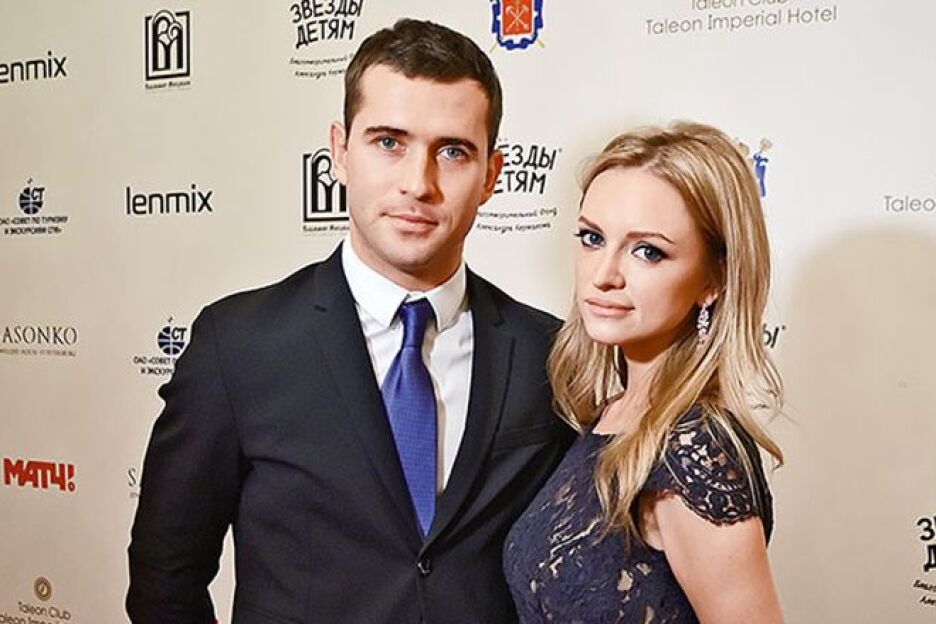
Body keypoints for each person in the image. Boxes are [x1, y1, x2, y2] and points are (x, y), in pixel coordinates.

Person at [127, 19, 573, 624]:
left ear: (491, 176)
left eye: (452, 151)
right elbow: (165, 579)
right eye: (389, 142)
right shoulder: (238, 345)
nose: (418, 184)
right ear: (339, 152)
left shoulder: (549, 352)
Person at [503, 122, 786, 623]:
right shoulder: (612, 413)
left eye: (647, 251)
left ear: (714, 279)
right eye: (592, 238)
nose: (604, 274)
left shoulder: (694, 448)